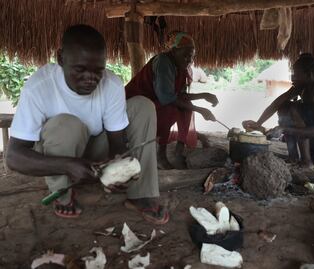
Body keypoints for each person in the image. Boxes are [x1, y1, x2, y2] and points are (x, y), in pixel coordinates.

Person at [6, 24, 169, 224]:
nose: (91, 78)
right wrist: (68, 165)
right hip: (61, 153)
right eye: (80, 69)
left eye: (98, 71)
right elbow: (14, 157)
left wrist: (115, 171)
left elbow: (116, 145)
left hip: (95, 152)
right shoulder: (39, 87)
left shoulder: (112, 84)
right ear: (60, 58)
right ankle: (63, 192)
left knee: (143, 106)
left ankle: (141, 194)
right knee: (66, 124)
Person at [243, 53, 314, 168]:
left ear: (309, 75)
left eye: (296, 74)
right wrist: (258, 123)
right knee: (284, 106)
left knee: (295, 108)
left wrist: (283, 129)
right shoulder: (301, 87)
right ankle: (293, 157)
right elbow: (277, 103)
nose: (292, 77)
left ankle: (306, 162)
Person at [125, 31, 218, 170]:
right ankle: (160, 155)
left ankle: (178, 152)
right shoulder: (163, 62)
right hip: (134, 106)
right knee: (171, 109)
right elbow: (167, 98)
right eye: (185, 55)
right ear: (174, 51)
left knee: (186, 107)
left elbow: (180, 96)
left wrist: (204, 95)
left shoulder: (179, 66)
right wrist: (200, 110)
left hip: (152, 103)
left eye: (191, 57)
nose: (188, 60)